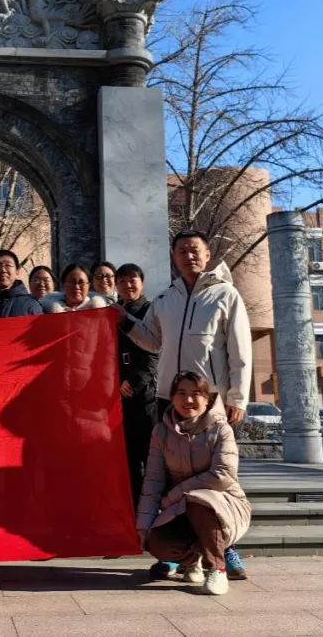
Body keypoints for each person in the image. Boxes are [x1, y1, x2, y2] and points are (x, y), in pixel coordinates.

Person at [116, 230, 253, 580]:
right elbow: (151, 341)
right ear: (173, 257)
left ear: (207, 255)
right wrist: (125, 321)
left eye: (194, 250)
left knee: (216, 477)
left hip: (211, 400)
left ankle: (225, 548)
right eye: (181, 251)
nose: (188, 256)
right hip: (168, 397)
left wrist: (238, 397)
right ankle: (179, 553)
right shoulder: (166, 298)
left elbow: (240, 349)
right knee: (170, 475)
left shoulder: (226, 294)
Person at [137, 372, 251, 596]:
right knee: (158, 543)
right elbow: (153, 480)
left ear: (207, 399)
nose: (188, 400)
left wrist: (174, 495)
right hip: (179, 508)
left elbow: (221, 475)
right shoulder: (161, 432)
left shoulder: (221, 429)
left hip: (224, 505)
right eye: (181, 393)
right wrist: (144, 526)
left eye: (196, 394)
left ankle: (217, 569)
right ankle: (192, 561)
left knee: (199, 501)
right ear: (172, 397)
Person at [115, 263, 159, 508]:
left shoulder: (151, 310)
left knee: (149, 458)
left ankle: (152, 510)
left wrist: (134, 381)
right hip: (118, 396)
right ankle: (134, 511)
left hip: (146, 395)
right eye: (122, 280)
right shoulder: (112, 312)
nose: (127, 285)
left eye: (132, 279)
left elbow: (155, 351)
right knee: (127, 460)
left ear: (142, 283)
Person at [41, 263, 111, 312]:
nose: (77, 287)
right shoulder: (45, 310)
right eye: (72, 282)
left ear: (89, 285)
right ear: (63, 284)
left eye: (81, 282)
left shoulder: (101, 311)